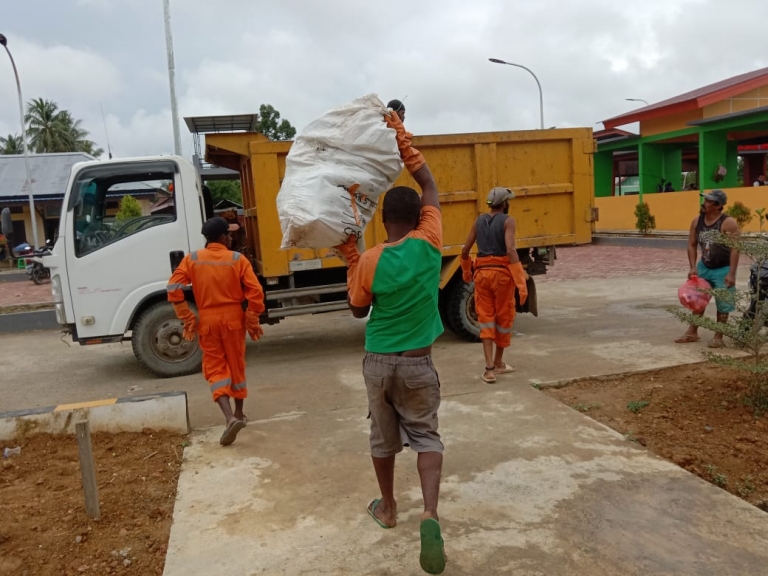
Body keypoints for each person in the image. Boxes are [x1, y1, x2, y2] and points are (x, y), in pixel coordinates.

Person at [335, 108, 446, 575]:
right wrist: (402, 140)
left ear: (384, 220)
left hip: (378, 361)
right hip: (419, 363)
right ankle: (430, 513)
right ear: (419, 217)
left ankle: (388, 506)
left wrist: (351, 259)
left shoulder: (371, 259)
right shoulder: (430, 243)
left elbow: (359, 311)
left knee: (383, 439)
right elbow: (431, 188)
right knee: (426, 438)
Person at [167, 216, 265, 446]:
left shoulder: (192, 259)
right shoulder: (237, 259)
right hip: (233, 319)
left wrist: (188, 318)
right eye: (229, 234)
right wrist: (251, 317)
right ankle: (239, 414)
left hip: (208, 320)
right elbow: (255, 292)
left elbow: (173, 288)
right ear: (222, 237)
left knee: (215, 368)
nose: (231, 238)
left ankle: (229, 417)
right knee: (236, 364)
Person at [460, 188, 528, 384]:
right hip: (502, 276)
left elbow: (465, 249)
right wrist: (521, 282)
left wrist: (466, 270)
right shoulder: (508, 221)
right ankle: (498, 362)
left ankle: (489, 369)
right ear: (505, 203)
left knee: (486, 319)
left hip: (481, 275)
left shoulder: (478, 221)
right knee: (503, 318)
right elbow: (510, 250)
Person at [676, 190, 740, 348]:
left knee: (723, 304)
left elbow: (735, 248)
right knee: (697, 299)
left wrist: (731, 274)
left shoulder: (728, 223)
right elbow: (691, 244)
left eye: (708, 201)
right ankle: (692, 332)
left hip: (723, 269)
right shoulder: (697, 221)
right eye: (705, 200)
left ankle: (719, 336)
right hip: (704, 267)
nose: (704, 203)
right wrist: (692, 267)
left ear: (718, 206)